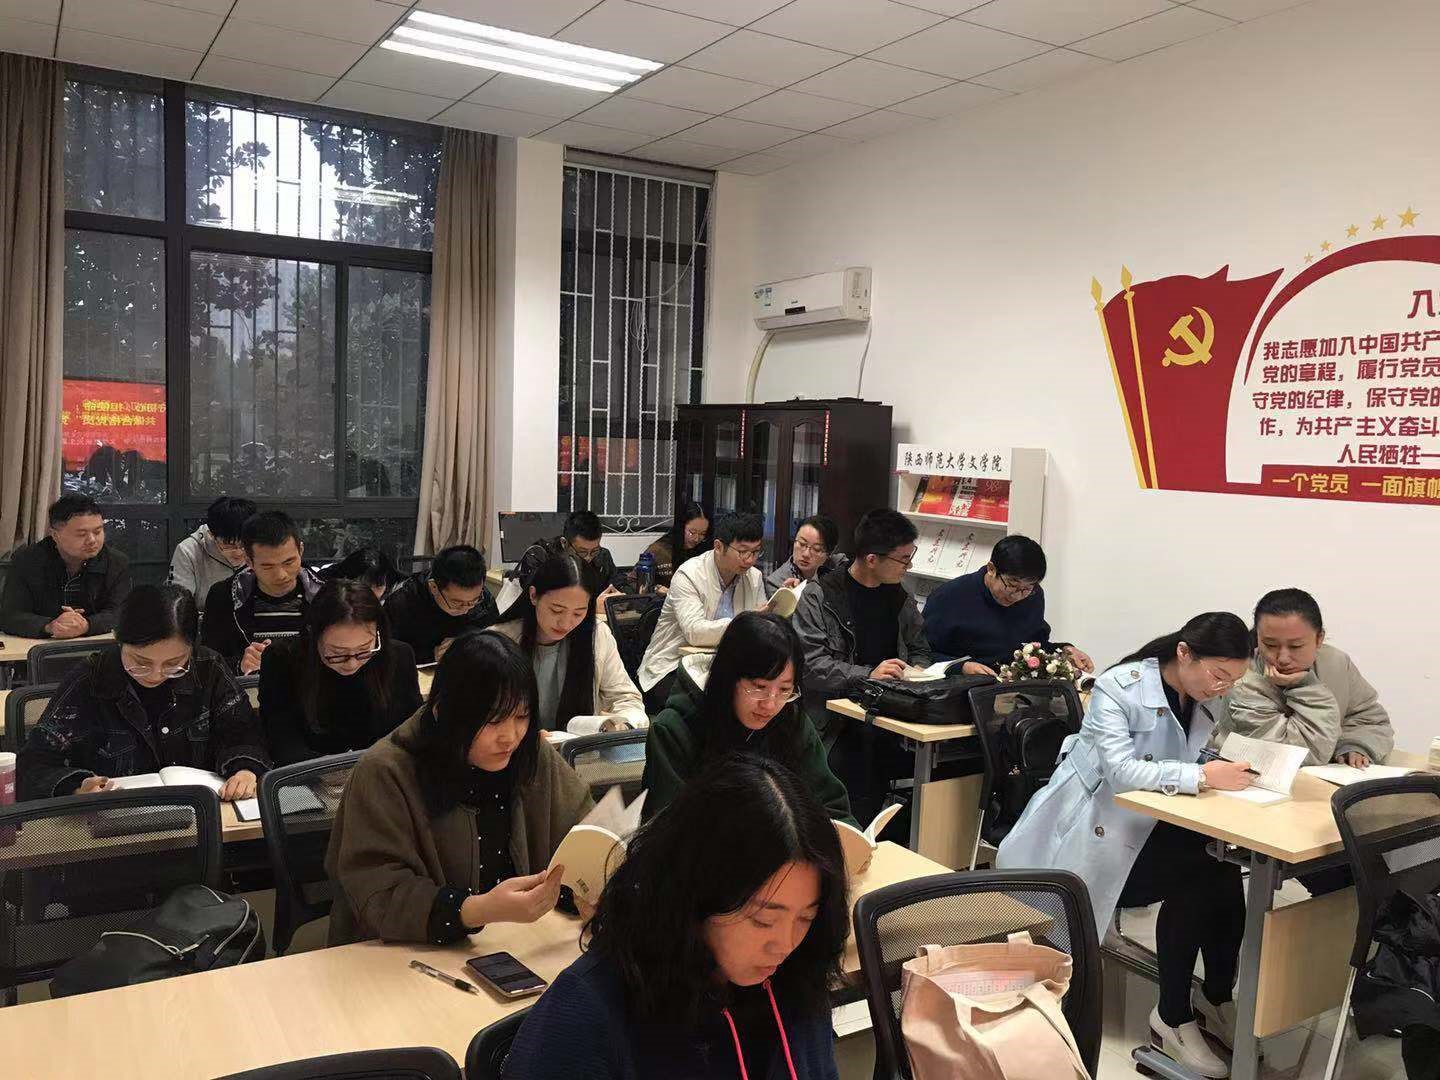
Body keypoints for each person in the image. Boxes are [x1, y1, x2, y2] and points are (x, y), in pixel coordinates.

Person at [996, 613, 1254, 1079]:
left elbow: (1190, 751)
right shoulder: (1121, 686)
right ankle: (1173, 1016)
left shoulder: (1203, 694)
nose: (1223, 688)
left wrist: (1217, 766)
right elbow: (1120, 772)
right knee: (1200, 876)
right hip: (1095, 836)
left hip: (1154, 824)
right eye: (1218, 675)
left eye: (1232, 680)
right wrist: (1201, 775)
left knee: (1222, 866)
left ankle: (1215, 997)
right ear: (1184, 653)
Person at [502, 753, 848, 1080]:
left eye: (806, 918)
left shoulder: (795, 976)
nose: (785, 944)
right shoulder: (590, 1012)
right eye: (763, 920)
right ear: (698, 893)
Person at [324, 631, 593, 944]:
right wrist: (475, 910)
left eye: (522, 716)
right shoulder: (386, 771)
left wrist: (590, 887)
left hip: (516, 942)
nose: (510, 736)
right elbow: (377, 893)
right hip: (405, 952)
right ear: (443, 712)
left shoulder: (530, 752)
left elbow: (584, 830)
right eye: (493, 720)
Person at [18, 584, 269, 802]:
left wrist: (245, 770)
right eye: (140, 662)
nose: (155, 675)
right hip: (114, 822)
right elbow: (34, 765)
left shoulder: (208, 668)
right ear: (119, 640)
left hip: (204, 815)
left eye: (174, 664)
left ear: (192, 647)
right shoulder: (90, 680)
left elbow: (244, 733)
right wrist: (77, 786)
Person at [642, 611, 855, 826]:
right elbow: (668, 829)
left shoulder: (792, 722)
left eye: (784, 690)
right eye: (759, 687)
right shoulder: (674, 730)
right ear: (728, 678)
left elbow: (832, 808)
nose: (770, 705)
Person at [791, 508, 933, 823]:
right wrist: (868, 674)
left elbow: (920, 647)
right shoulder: (820, 596)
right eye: (903, 559)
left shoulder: (899, 597)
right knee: (859, 772)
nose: (909, 566)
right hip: (834, 723)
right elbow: (811, 666)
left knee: (937, 775)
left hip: (891, 716)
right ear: (871, 559)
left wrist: (919, 671)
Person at [1211, 587, 1394, 768]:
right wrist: (1304, 685)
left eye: (1296, 646)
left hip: (1324, 779)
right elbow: (1291, 754)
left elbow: (1370, 719)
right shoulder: (1242, 677)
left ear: (1319, 639)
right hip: (1254, 777)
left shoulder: (1335, 663)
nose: (1283, 658)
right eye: (1270, 644)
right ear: (1258, 638)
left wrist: (1355, 745)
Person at [259, 580, 423, 766]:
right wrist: (330, 771)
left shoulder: (399, 656)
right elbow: (282, 741)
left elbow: (410, 731)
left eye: (364, 650)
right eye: (337, 653)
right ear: (313, 634)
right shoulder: (281, 659)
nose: (352, 663)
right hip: (309, 773)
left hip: (382, 770)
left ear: (378, 633)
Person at [487, 554, 647, 737]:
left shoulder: (596, 635)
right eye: (556, 610)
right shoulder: (500, 641)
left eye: (578, 613)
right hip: (512, 746)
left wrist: (624, 725)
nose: (566, 623)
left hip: (578, 748)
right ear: (533, 595)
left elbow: (625, 697)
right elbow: (478, 712)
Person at [637, 512, 777, 714]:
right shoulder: (689, 574)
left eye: (756, 552)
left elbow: (759, 630)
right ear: (718, 546)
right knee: (714, 707)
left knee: (765, 698)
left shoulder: (753, 577)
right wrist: (745, 622)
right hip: (674, 666)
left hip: (726, 666)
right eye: (743, 552)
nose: (750, 560)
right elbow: (695, 632)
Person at [921, 535, 1094, 675]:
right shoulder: (949, 597)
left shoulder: (1033, 595)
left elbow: (1034, 645)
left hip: (1015, 686)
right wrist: (961, 668)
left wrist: (1064, 651)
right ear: (991, 569)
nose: (1018, 596)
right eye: (1012, 585)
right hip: (960, 689)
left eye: (1027, 588)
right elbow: (921, 655)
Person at [200, 510, 323, 675]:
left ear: (300, 550)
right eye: (268, 566)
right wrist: (239, 665)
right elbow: (206, 665)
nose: (281, 575)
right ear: (249, 561)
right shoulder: (224, 596)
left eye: (289, 562)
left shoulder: (324, 596)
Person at [0, 494, 132, 638]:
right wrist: (49, 626)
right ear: (55, 535)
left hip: (95, 643)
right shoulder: (27, 561)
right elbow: (10, 616)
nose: (92, 540)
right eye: (81, 534)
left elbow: (121, 613)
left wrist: (87, 625)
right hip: (40, 645)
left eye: (97, 531)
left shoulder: (116, 562)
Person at [382, 544, 499, 664]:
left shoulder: (483, 599)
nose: (466, 609)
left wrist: (470, 642)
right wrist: (432, 654)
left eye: (473, 601)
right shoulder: (402, 603)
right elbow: (386, 651)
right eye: (456, 603)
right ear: (433, 587)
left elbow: (495, 638)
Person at [511, 510, 628, 601]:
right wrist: (592, 607)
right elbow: (538, 597)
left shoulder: (602, 555)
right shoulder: (540, 555)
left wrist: (619, 597)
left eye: (594, 551)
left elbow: (618, 582)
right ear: (564, 543)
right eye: (582, 552)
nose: (588, 557)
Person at [168, 495, 255, 611]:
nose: (239, 552)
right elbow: (177, 604)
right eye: (229, 545)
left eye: (244, 545)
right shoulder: (188, 551)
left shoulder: (261, 546)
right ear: (211, 535)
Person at [634, 501, 710, 591]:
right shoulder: (659, 550)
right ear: (680, 527)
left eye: (702, 534)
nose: (696, 539)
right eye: (692, 532)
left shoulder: (705, 553)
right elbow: (633, 581)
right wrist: (655, 588)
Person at [765, 515, 846, 595]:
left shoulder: (839, 565)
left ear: (830, 553)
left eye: (816, 549)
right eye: (802, 544)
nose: (806, 554)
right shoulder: (776, 583)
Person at [317, 547, 402, 601]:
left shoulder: (397, 594)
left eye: (378, 584)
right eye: (364, 585)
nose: (371, 592)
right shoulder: (326, 588)